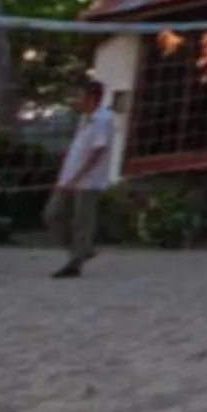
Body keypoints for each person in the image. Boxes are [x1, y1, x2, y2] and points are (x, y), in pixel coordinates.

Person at [47, 81, 120, 278]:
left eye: (79, 96)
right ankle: (82, 249)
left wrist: (78, 177)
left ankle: (75, 263)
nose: (76, 101)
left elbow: (98, 150)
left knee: (82, 220)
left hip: (87, 181)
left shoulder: (104, 119)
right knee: (53, 214)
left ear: (92, 98)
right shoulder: (84, 118)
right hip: (68, 177)